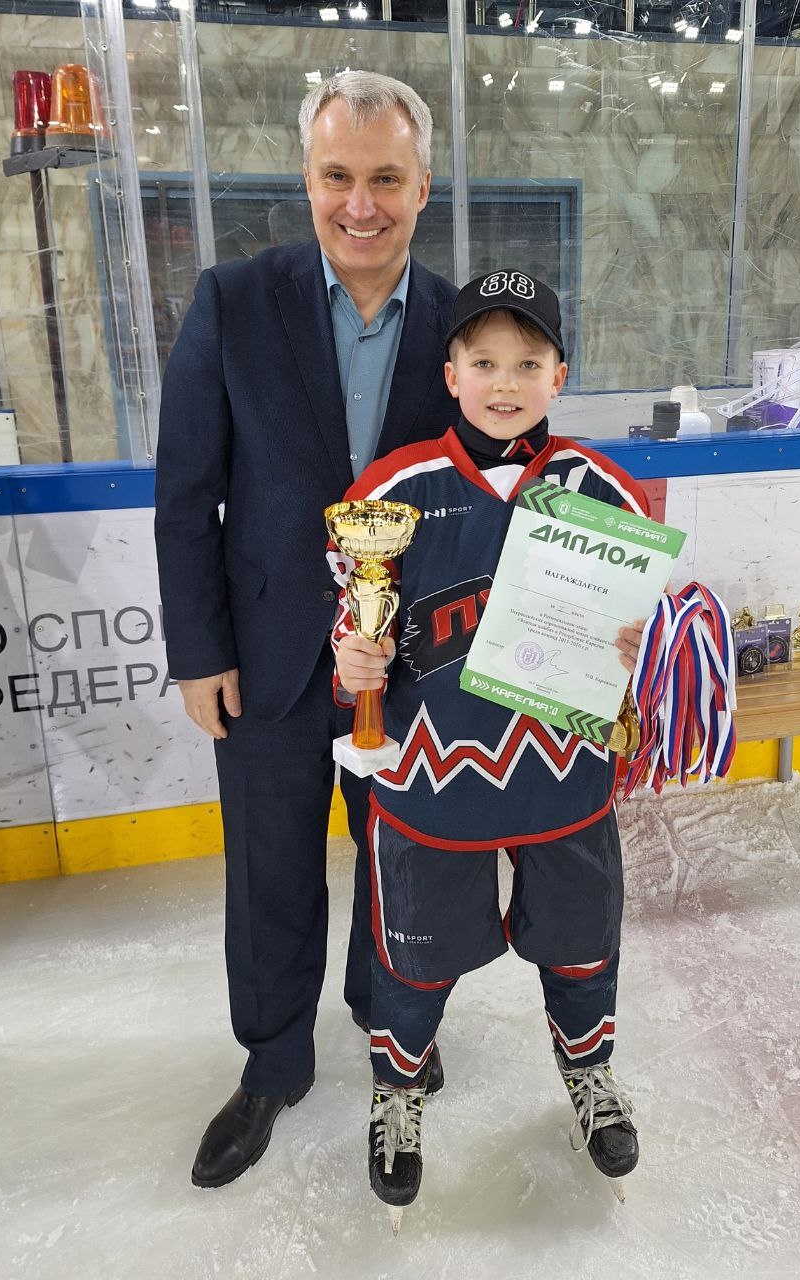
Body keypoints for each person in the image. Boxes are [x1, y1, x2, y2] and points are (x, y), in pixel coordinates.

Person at [154, 70, 458, 1190]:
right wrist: (200, 652)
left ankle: (392, 1028)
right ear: (308, 178)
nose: (360, 204)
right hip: (269, 658)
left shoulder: (466, 324)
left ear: (422, 185)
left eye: (386, 178)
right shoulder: (233, 301)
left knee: (402, 865)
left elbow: (502, 489)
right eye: (338, 176)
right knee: (271, 874)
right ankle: (273, 1062)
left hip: (412, 666)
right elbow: (187, 493)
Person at [331, 270, 650, 1231]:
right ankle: (400, 1086)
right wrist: (353, 655)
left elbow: (634, 621)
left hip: (564, 780)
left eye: (527, 362)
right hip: (434, 783)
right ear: (451, 374)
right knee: (414, 956)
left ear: (559, 376)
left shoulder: (599, 488)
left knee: (582, 940)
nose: (504, 383)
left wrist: (637, 639)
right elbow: (353, 612)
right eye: (483, 362)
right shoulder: (396, 489)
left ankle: (588, 1073)